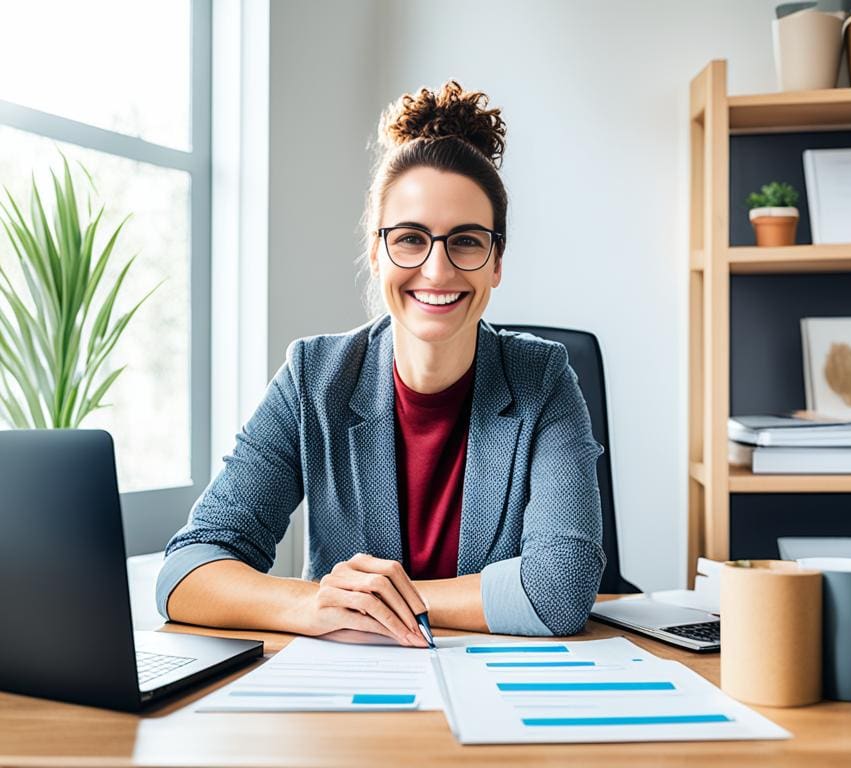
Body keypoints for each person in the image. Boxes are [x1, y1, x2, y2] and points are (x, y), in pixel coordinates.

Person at [156, 80, 605, 645]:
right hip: (351, 697)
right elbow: (185, 572)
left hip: (494, 693)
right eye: (411, 239)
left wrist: (377, 602)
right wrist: (315, 603)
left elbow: (559, 591)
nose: (438, 271)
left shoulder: (543, 380)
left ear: (496, 262)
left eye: (465, 241)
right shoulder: (313, 377)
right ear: (375, 251)